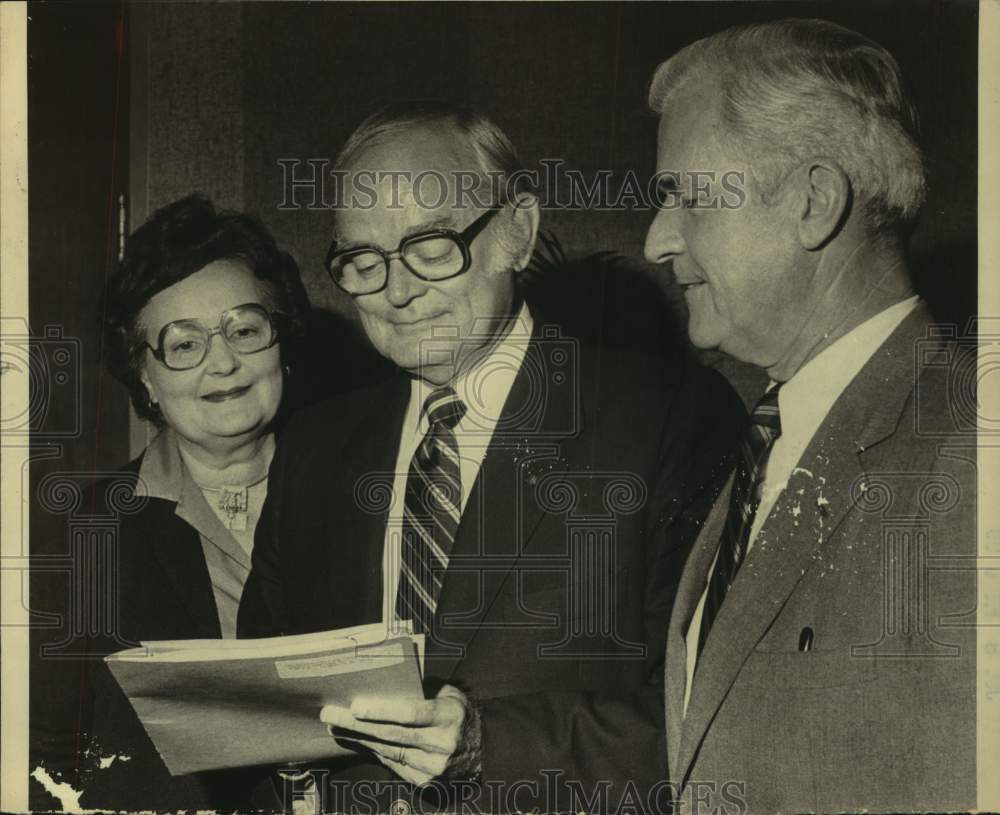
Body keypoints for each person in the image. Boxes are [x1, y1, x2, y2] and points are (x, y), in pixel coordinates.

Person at [238, 101, 746, 814]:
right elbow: (267, 709)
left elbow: (717, 717)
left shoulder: (668, 416)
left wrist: (489, 747)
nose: (398, 289)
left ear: (518, 232)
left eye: (432, 245)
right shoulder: (316, 446)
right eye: (363, 261)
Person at [643, 19, 976, 814]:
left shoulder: (968, 455)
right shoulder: (769, 438)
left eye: (688, 197)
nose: (657, 240)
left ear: (813, 202)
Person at [31, 194, 310, 812]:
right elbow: (45, 762)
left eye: (245, 328)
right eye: (183, 345)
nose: (225, 362)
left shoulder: (366, 490)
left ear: (281, 341)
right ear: (146, 378)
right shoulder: (77, 536)